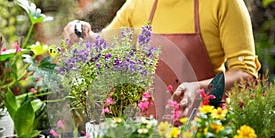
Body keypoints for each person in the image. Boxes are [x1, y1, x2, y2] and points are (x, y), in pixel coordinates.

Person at [63, 0, 261, 119]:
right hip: (149, 135)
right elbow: (101, 46)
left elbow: (246, 74)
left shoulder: (224, 3)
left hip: (204, 134)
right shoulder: (139, 4)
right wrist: (80, 35)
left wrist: (200, 88)